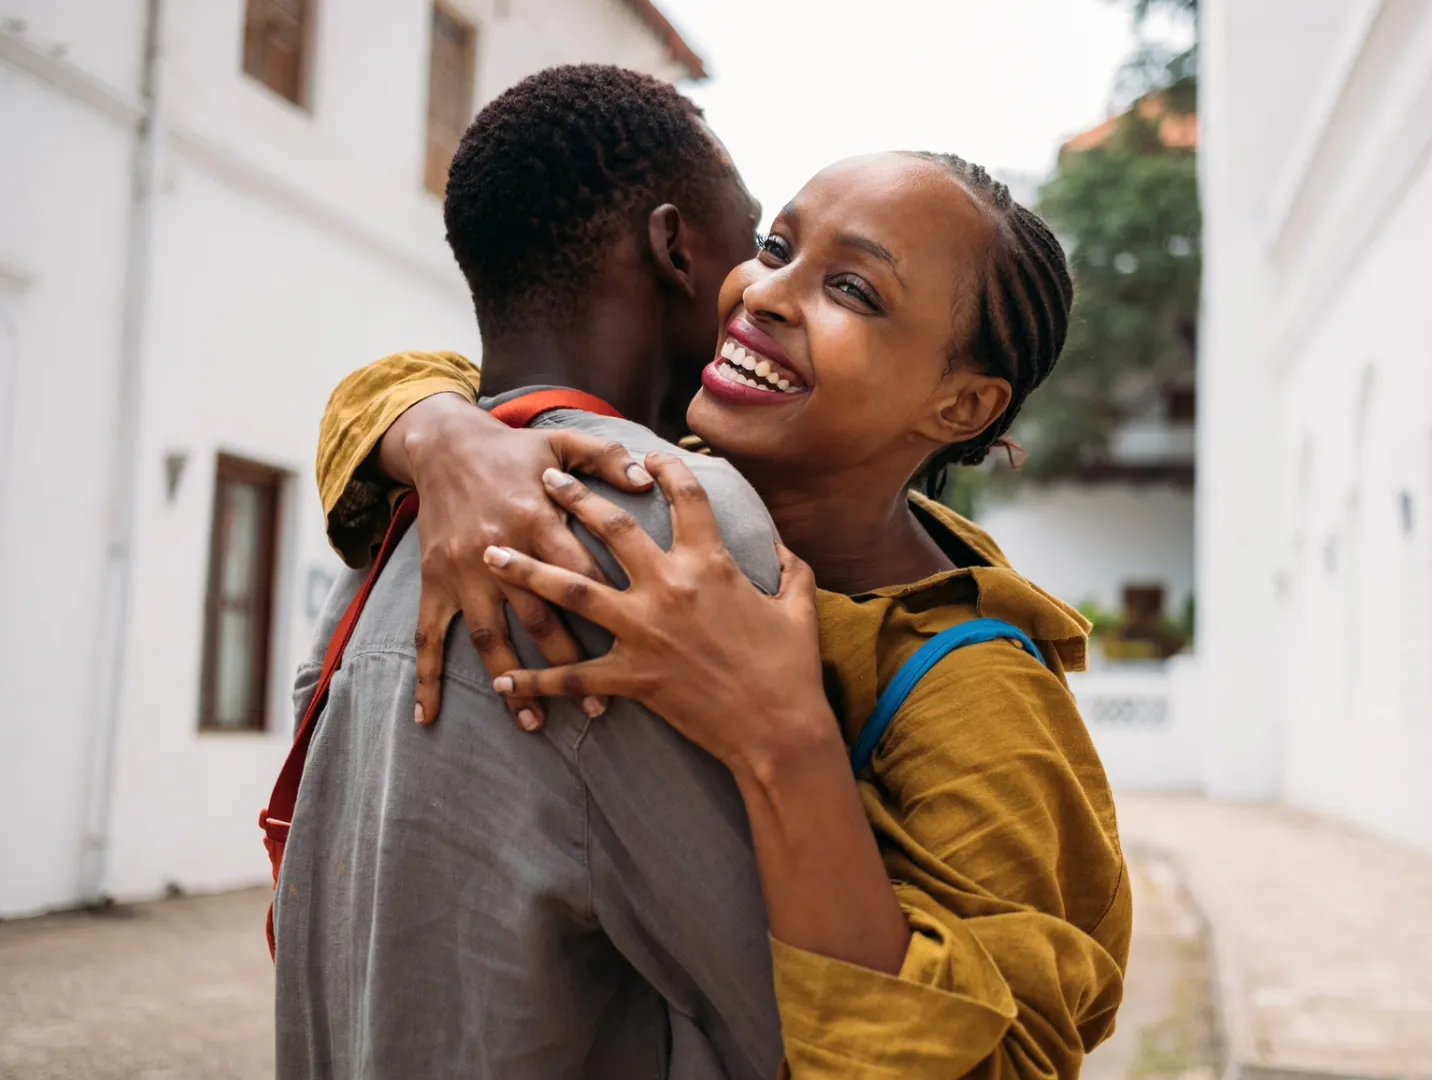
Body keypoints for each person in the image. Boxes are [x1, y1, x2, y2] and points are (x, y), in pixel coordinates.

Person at [314, 149, 1131, 1076]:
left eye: (854, 291)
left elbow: (1014, 1062)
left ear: (960, 405)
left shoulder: (977, 691)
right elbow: (401, 380)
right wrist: (442, 437)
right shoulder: (649, 469)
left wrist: (781, 733)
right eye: (777, 245)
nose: (767, 293)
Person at [273, 65, 787, 1080]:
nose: (764, 289)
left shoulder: (392, 532)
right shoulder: (670, 513)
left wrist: (423, 428)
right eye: (757, 241)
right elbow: (783, 1008)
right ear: (675, 245)